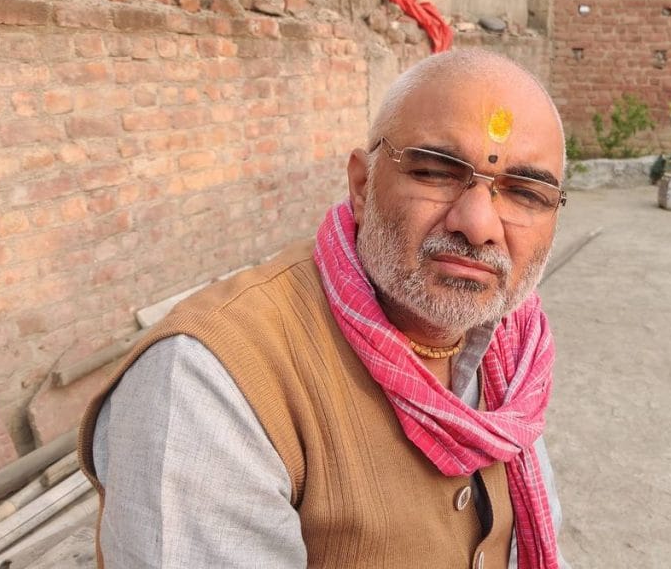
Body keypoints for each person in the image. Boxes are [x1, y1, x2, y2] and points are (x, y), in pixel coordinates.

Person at [79, 48, 571, 568]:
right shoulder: (205, 380)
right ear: (362, 186)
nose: (478, 224)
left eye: (525, 194)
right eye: (434, 172)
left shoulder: (516, 344)